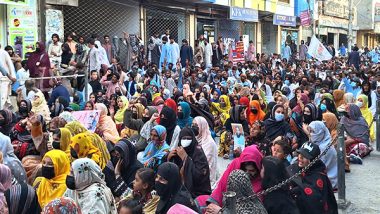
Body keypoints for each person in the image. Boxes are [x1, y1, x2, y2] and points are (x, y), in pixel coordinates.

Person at [204, 145, 263, 213]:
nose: (247, 174)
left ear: (258, 169)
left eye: (252, 171)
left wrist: (221, 212)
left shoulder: (260, 181)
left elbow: (250, 209)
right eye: (245, 170)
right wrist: (212, 205)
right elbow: (221, 186)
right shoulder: (235, 165)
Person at [290, 142, 338, 214]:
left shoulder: (319, 176)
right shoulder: (295, 167)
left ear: (313, 160)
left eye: (305, 156)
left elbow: (315, 199)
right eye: (299, 153)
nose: (300, 157)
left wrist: (297, 190)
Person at [168, 127, 211, 198]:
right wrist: (168, 158)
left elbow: (200, 176)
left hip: (197, 192)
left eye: (188, 138)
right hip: (180, 190)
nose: (186, 141)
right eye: (183, 138)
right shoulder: (178, 151)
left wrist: (185, 158)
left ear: (193, 139)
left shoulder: (198, 152)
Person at [307, 121, 338, 189]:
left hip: (329, 181)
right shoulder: (324, 143)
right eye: (309, 131)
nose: (310, 134)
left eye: (313, 132)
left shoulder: (323, 148)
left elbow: (318, 167)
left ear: (321, 132)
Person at [340, 104, 370, 171]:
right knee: (339, 144)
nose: (345, 111)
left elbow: (364, 137)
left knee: (361, 147)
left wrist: (352, 140)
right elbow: (341, 132)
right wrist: (346, 138)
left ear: (354, 111)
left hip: (358, 142)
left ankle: (350, 157)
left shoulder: (361, 121)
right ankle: (348, 157)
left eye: (347, 109)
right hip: (347, 140)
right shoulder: (343, 119)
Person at [192, 116, 217, 186]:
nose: (194, 127)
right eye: (193, 125)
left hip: (206, 176)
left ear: (202, 126)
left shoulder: (209, 143)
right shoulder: (195, 138)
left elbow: (207, 163)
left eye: (196, 125)